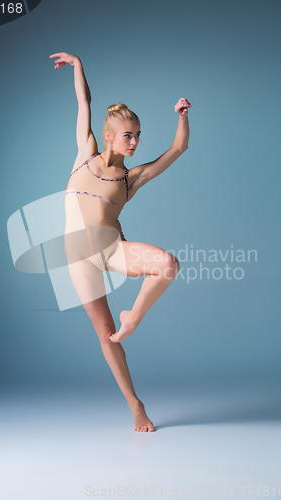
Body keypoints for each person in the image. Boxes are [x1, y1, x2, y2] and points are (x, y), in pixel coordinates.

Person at [49, 52, 191, 432]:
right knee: (105, 336)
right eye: (129, 135)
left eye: (138, 136)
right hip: (78, 258)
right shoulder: (85, 153)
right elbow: (84, 102)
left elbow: (177, 150)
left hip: (111, 251)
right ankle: (135, 404)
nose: (135, 142)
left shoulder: (132, 179)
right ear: (109, 135)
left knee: (167, 265)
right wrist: (78, 66)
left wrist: (182, 116)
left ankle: (134, 318)